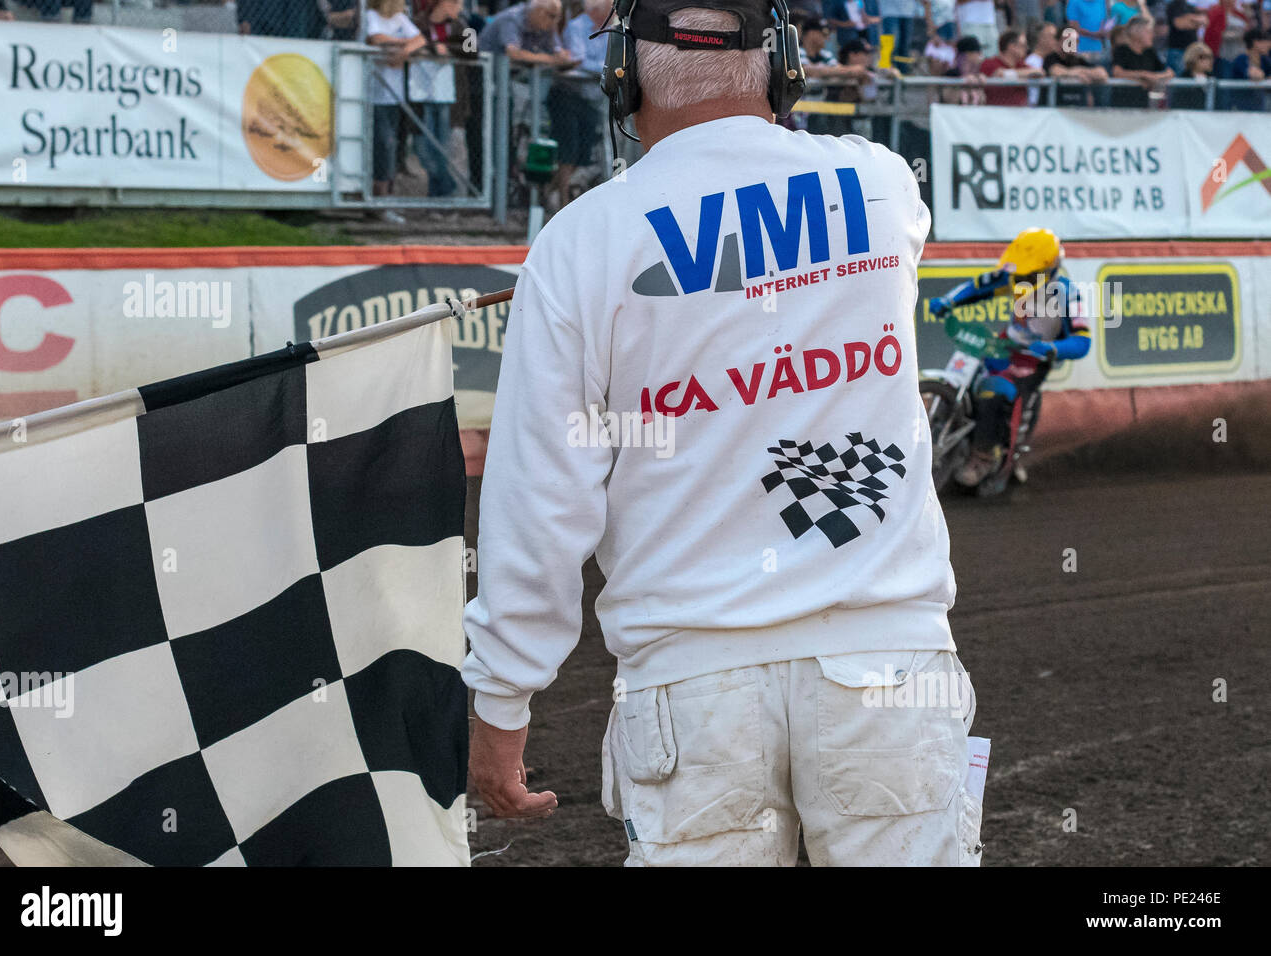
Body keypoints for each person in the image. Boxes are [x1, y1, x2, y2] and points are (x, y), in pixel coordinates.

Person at [464, 0, 978, 868]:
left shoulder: (578, 242)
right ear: (783, 68)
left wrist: (502, 697)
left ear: (621, 74)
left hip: (691, 688)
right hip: (889, 667)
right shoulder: (885, 186)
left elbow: (540, 498)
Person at [927, 228, 1091, 488]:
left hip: (1032, 359)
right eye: (1017, 274)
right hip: (1004, 344)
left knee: (995, 391)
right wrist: (948, 301)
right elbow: (977, 287)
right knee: (966, 373)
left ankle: (983, 457)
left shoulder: (1067, 294)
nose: (1018, 279)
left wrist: (1052, 349)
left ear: (1047, 270)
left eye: (1026, 274)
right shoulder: (1012, 275)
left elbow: (1083, 341)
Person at [365, 0, 427, 217]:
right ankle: (376, 199)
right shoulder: (372, 16)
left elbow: (420, 39)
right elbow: (376, 39)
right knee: (382, 145)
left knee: (392, 146)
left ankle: (384, 198)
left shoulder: (400, 19)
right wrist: (402, 42)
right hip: (374, 95)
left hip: (395, 97)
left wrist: (403, 50)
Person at [548, 0, 611, 211]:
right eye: (609, 9)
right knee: (569, 148)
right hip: (567, 95)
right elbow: (578, 60)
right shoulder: (577, 27)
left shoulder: (612, 29)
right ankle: (562, 201)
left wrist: (602, 67)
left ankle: (552, 192)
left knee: (585, 151)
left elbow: (613, 60)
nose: (614, 13)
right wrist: (604, 68)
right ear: (595, 11)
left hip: (591, 99)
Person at [410, 0, 465, 198]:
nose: (460, 9)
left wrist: (447, 49)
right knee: (423, 148)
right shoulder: (417, 23)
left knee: (442, 146)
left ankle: (438, 196)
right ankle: (447, 187)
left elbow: (473, 49)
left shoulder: (461, 24)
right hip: (420, 92)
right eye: (457, 4)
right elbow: (411, 44)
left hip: (447, 95)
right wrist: (434, 49)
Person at [1039, 19, 1110, 103]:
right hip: (1054, 109)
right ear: (1058, 41)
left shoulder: (1078, 60)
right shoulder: (1051, 58)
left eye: (1076, 40)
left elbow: (1102, 74)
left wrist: (1080, 73)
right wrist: (1077, 75)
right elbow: (1055, 71)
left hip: (1077, 109)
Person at [1111, 14, 1172, 105]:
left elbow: (1169, 72)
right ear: (1136, 33)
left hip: (1143, 104)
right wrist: (1142, 76)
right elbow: (1117, 72)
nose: (1152, 35)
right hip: (1123, 104)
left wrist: (1154, 78)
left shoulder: (1150, 52)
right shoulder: (1122, 50)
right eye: (1148, 32)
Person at [980, 28, 1045, 103]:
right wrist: (1022, 74)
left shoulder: (1021, 65)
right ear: (1011, 46)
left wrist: (1007, 74)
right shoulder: (989, 63)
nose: (1026, 49)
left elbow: (1040, 72)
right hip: (996, 111)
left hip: (1020, 112)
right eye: (1023, 45)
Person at [1229, 27, 1271, 108]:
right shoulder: (1241, 59)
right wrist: (1264, 78)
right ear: (1256, 42)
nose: (1269, 44)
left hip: (1259, 107)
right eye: (1265, 41)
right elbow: (1254, 75)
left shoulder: (1264, 60)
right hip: (1241, 107)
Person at [1165, 0, 1207, 71]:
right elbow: (1179, 24)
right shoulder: (1173, 6)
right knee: (1178, 77)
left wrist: (1189, 18)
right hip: (1178, 50)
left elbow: (1204, 21)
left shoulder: (1190, 7)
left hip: (1192, 51)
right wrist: (1194, 20)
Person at [1170, 38, 1215, 105]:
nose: (1208, 61)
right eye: (1202, 57)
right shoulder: (1183, 79)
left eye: (1209, 57)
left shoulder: (1212, 78)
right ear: (1193, 58)